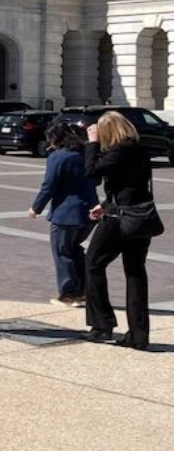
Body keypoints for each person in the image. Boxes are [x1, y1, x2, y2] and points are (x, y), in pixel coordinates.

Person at [83, 112, 154, 349]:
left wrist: (92, 144)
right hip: (140, 218)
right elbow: (130, 187)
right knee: (135, 273)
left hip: (118, 220)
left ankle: (102, 324)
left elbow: (91, 173)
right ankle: (139, 334)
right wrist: (104, 206)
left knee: (93, 264)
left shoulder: (118, 151)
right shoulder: (138, 149)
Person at [27, 122, 97, 307]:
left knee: (62, 252)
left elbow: (49, 186)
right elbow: (96, 179)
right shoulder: (84, 154)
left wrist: (36, 208)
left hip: (66, 213)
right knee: (76, 250)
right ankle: (83, 290)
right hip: (89, 210)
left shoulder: (58, 157)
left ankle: (69, 293)